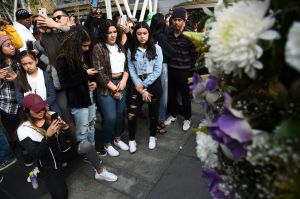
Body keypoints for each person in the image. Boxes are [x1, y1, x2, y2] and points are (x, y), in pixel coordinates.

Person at [17, 93, 117, 199]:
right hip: (50, 163)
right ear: (27, 111)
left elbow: (64, 137)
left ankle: (100, 172)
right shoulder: (24, 129)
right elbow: (36, 154)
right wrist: (48, 136)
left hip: (63, 152)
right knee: (60, 196)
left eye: (42, 108)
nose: (41, 112)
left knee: (86, 145)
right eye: (37, 110)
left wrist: (64, 127)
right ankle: (40, 171)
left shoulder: (50, 114)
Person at [92, 19, 129, 157]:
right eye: (109, 33)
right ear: (103, 34)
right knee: (110, 117)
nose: (113, 35)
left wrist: (124, 79)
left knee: (120, 116)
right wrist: (115, 89)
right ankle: (107, 144)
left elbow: (126, 66)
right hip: (106, 86)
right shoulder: (98, 48)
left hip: (121, 82)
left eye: (115, 32)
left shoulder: (120, 45)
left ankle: (118, 139)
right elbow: (99, 73)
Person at [56, 26, 97, 145]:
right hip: (78, 100)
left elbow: (87, 73)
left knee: (91, 125)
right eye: (84, 46)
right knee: (83, 130)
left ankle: (92, 149)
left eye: (88, 45)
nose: (87, 48)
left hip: (89, 95)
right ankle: (87, 153)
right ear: (75, 43)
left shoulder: (83, 54)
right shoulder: (63, 58)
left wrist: (94, 82)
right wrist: (85, 74)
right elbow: (65, 83)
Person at [127, 21, 163, 153]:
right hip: (137, 85)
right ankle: (131, 139)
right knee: (132, 114)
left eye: (145, 33)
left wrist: (144, 86)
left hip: (153, 84)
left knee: (153, 113)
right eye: (139, 34)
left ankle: (152, 136)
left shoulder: (157, 48)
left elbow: (158, 70)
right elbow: (131, 70)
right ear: (135, 35)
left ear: (149, 33)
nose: (142, 36)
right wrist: (141, 89)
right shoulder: (131, 49)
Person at [165, 8, 198, 131]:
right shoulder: (169, 33)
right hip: (172, 68)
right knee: (172, 94)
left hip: (184, 70)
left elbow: (194, 53)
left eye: (179, 20)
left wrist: (190, 67)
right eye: (175, 20)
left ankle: (187, 118)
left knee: (185, 96)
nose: (177, 22)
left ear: (184, 21)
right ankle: (173, 115)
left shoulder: (189, 34)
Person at [150, 13, 175, 134]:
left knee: (154, 94)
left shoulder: (150, 35)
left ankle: (154, 120)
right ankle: (159, 120)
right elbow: (171, 52)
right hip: (162, 67)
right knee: (163, 96)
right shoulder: (161, 36)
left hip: (151, 68)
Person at [15, 50, 61, 114]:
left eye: (30, 63)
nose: (28, 66)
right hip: (30, 112)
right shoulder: (19, 79)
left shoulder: (46, 76)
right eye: (24, 64)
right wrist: (33, 108)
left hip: (48, 109)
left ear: (36, 61)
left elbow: (52, 95)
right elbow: (20, 99)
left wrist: (42, 106)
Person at [0, 34, 20, 147]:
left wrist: (17, 79)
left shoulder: (19, 60)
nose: (12, 47)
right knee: (14, 129)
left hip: (22, 101)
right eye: (8, 45)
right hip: (6, 105)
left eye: (12, 44)